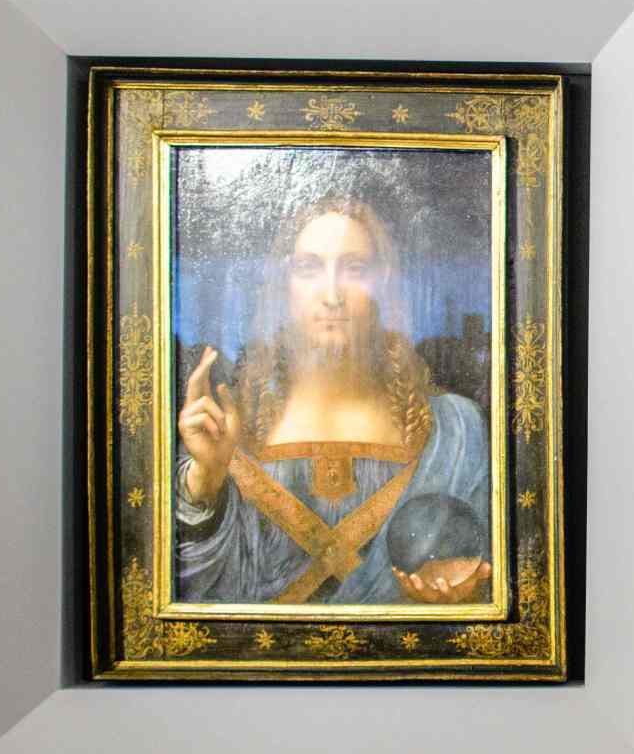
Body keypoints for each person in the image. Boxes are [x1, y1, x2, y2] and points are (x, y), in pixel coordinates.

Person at [175, 194, 495, 606]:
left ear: (382, 284)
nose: (332, 294)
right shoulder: (226, 426)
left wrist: (465, 593)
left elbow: (491, 580)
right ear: (282, 286)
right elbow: (190, 591)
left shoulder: (457, 431)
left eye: (354, 269)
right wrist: (206, 478)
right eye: (308, 268)